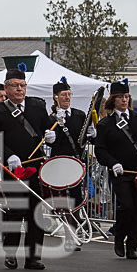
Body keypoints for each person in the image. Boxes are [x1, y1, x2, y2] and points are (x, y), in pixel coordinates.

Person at [0, 65, 56, 270]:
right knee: (14, 212)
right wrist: (9, 156)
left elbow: (47, 128)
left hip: (35, 167)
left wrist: (51, 137)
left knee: (36, 213)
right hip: (13, 169)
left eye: (22, 85)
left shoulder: (36, 106)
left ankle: (34, 257)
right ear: (6, 89)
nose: (19, 89)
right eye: (15, 86)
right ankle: (10, 253)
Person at [95, 80, 137, 260]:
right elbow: (100, 150)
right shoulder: (105, 124)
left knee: (136, 209)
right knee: (126, 206)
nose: (124, 100)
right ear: (113, 100)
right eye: (120, 97)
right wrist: (112, 163)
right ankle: (119, 238)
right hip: (119, 171)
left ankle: (132, 245)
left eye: (126, 97)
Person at [48, 76, 96, 251]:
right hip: (59, 162)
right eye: (63, 95)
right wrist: (50, 137)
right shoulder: (51, 118)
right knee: (64, 199)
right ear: (56, 97)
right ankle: (70, 231)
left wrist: (92, 135)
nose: (67, 98)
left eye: (69, 94)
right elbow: (48, 141)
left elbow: (83, 140)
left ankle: (74, 232)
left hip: (76, 162)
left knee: (76, 198)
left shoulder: (79, 115)